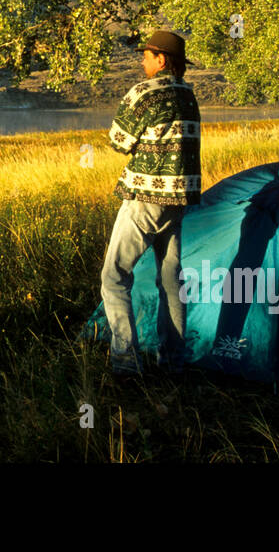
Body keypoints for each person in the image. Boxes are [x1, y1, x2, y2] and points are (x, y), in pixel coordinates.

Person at [101, 30, 201, 378]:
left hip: (145, 198)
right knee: (169, 279)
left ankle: (126, 363)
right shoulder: (189, 94)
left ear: (161, 60)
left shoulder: (142, 93)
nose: (141, 61)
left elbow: (118, 141)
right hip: (178, 201)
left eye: (146, 55)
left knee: (114, 277)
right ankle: (173, 362)